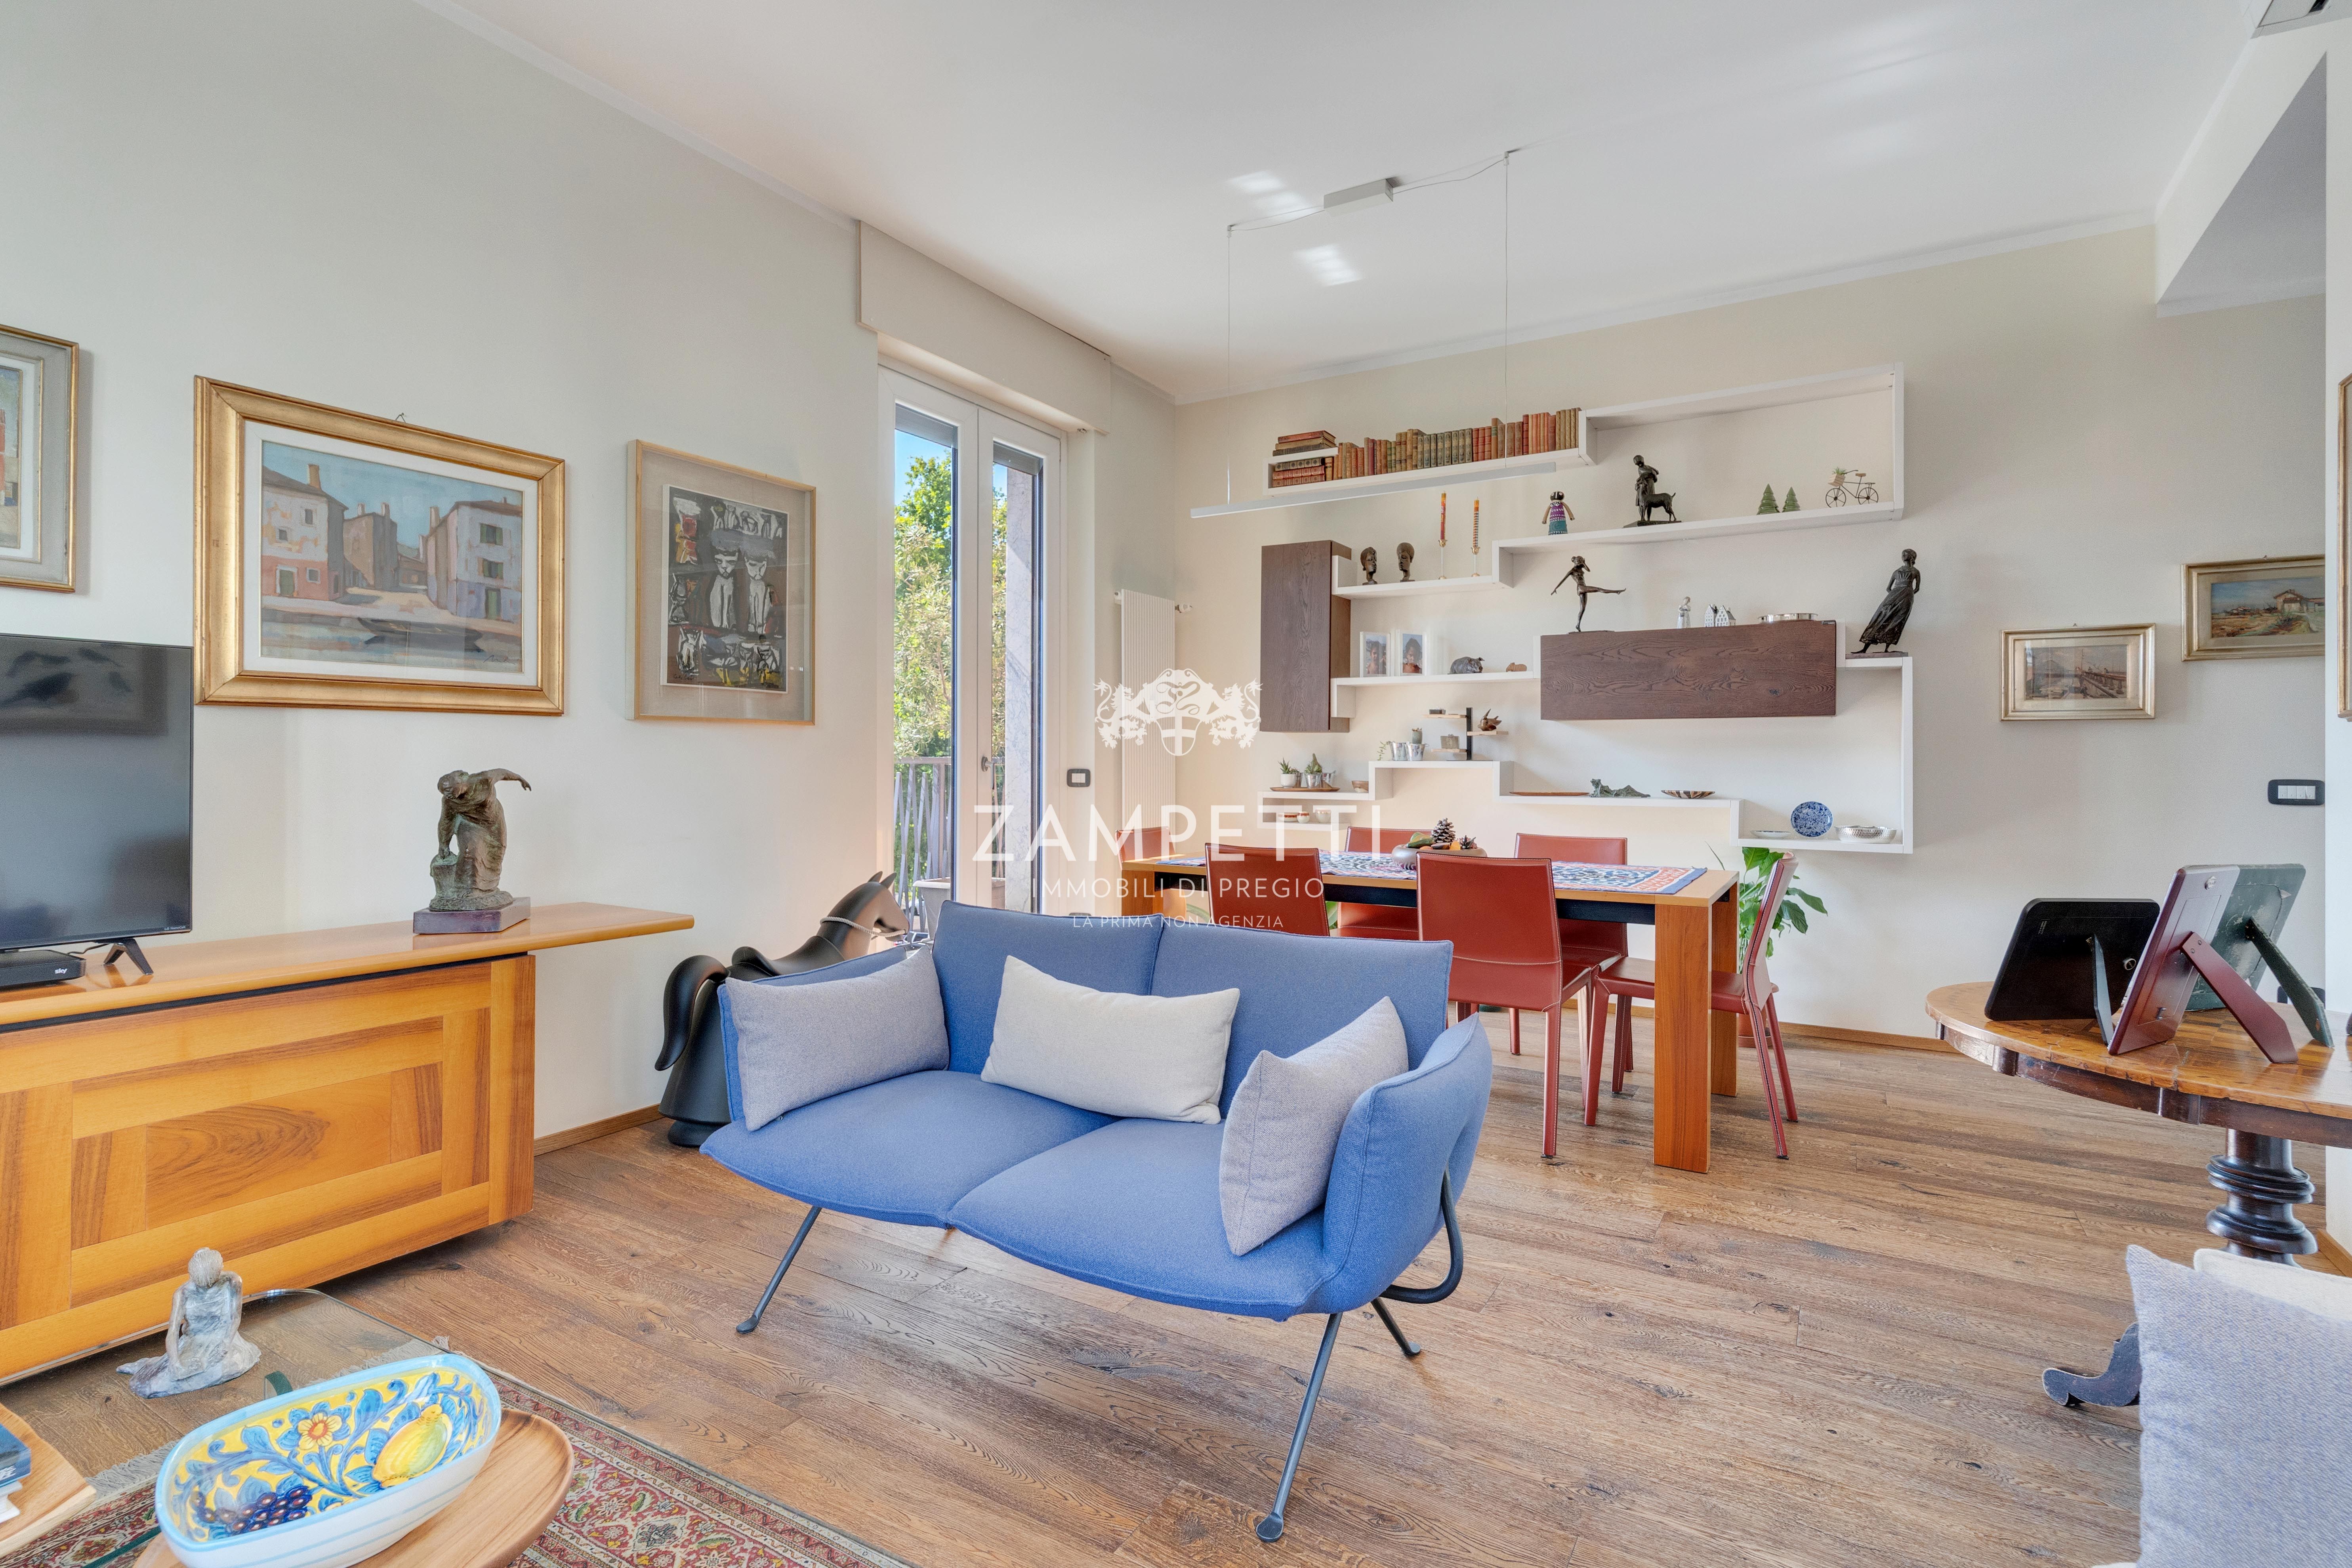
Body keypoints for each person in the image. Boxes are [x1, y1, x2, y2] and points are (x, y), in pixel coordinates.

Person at [1858, 548, 1920, 654]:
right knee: (1880, 617)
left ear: (1912, 556)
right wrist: (1895, 596)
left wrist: (1908, 594)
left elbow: (1917, 588)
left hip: (1907, 599)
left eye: (1905, 554)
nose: (1903, 556)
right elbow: (1888, 588)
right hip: (1893, 597)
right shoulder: (1897, 572)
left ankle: (1887, 649)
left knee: (1897, 622)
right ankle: (1865, 648)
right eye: (1903, 554)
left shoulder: (1916, 572)